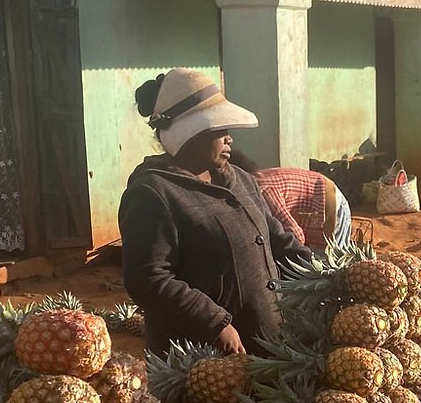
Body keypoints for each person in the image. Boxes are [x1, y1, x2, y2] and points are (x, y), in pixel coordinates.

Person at [120, 69, 309, 357]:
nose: (229, 138)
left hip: (266, 348)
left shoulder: (240, 179)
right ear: (188, 134)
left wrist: (329, 275)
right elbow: (148, 278)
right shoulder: (153, 193)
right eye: (218, 130)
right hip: (203, 360)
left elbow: (277, 240)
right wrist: (215, 324)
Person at [231, 153, 351, 251]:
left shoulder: (263, 192)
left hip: (331, 206)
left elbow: (296, 235)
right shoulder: (253, 185)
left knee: (330, 271)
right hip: (313, 214)